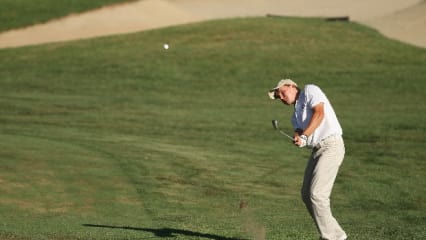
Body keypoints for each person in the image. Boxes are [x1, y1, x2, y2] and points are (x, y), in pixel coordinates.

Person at [268, 79, 347, 240]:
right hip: (318, 150)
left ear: (291, 86)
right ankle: (334, 235)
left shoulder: (310, 90)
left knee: (317, 194)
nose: (281, 98)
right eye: (278, 98)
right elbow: (299, 131)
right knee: (306, 194)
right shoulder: (295, 116)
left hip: (331, 145)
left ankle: (333, 237)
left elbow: (319, 113)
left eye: (282, 93)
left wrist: (305, 135)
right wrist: (299, 138)